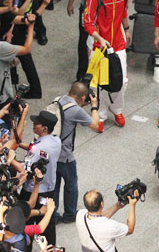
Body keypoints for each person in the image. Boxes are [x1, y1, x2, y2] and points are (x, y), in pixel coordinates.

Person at [83, 0, 131, 128]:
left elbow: (124, 12)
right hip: (99, 46)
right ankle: (101, 115)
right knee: (100, 83)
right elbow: (88, 23)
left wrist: (126, 29)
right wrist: (100, 38)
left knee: (122, 80)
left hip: (118, 43)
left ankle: (117, 109)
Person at [54, 81, 101, 224]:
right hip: (65, 156)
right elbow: (96, 125)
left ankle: (52, 214)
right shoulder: (76, 110)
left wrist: (81, 104)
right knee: (71, 185)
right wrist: (93, 106)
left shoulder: (58, 100)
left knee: (54, 186)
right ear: (83, 97)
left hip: (52, 152)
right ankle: (70, 214)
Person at [19, 110, 62, 245]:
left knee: (25, 221)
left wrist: (10, 158)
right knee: (48, 222)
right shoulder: (56, 141)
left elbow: (25, 167)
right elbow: (35, 148)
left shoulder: (38, 148)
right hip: (49, 190)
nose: (34, 124)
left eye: (37, 123)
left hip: (32, 191)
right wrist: (21, 144)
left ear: (44, 128)